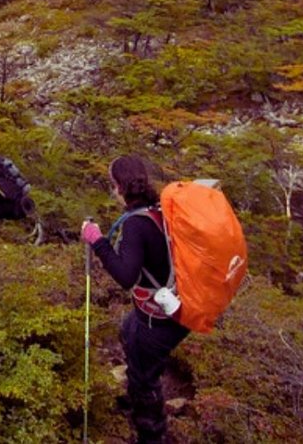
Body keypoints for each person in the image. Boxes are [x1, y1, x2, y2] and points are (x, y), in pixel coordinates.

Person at [81, 156, 190, 444]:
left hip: (158, 319)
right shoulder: (161, 211)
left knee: (145, 377)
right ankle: (137, 392)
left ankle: (151, 431)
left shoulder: (135, 225)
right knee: (128, 329)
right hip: (177, 305)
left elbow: (126, 276)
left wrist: (97, 241)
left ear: (118, 186)